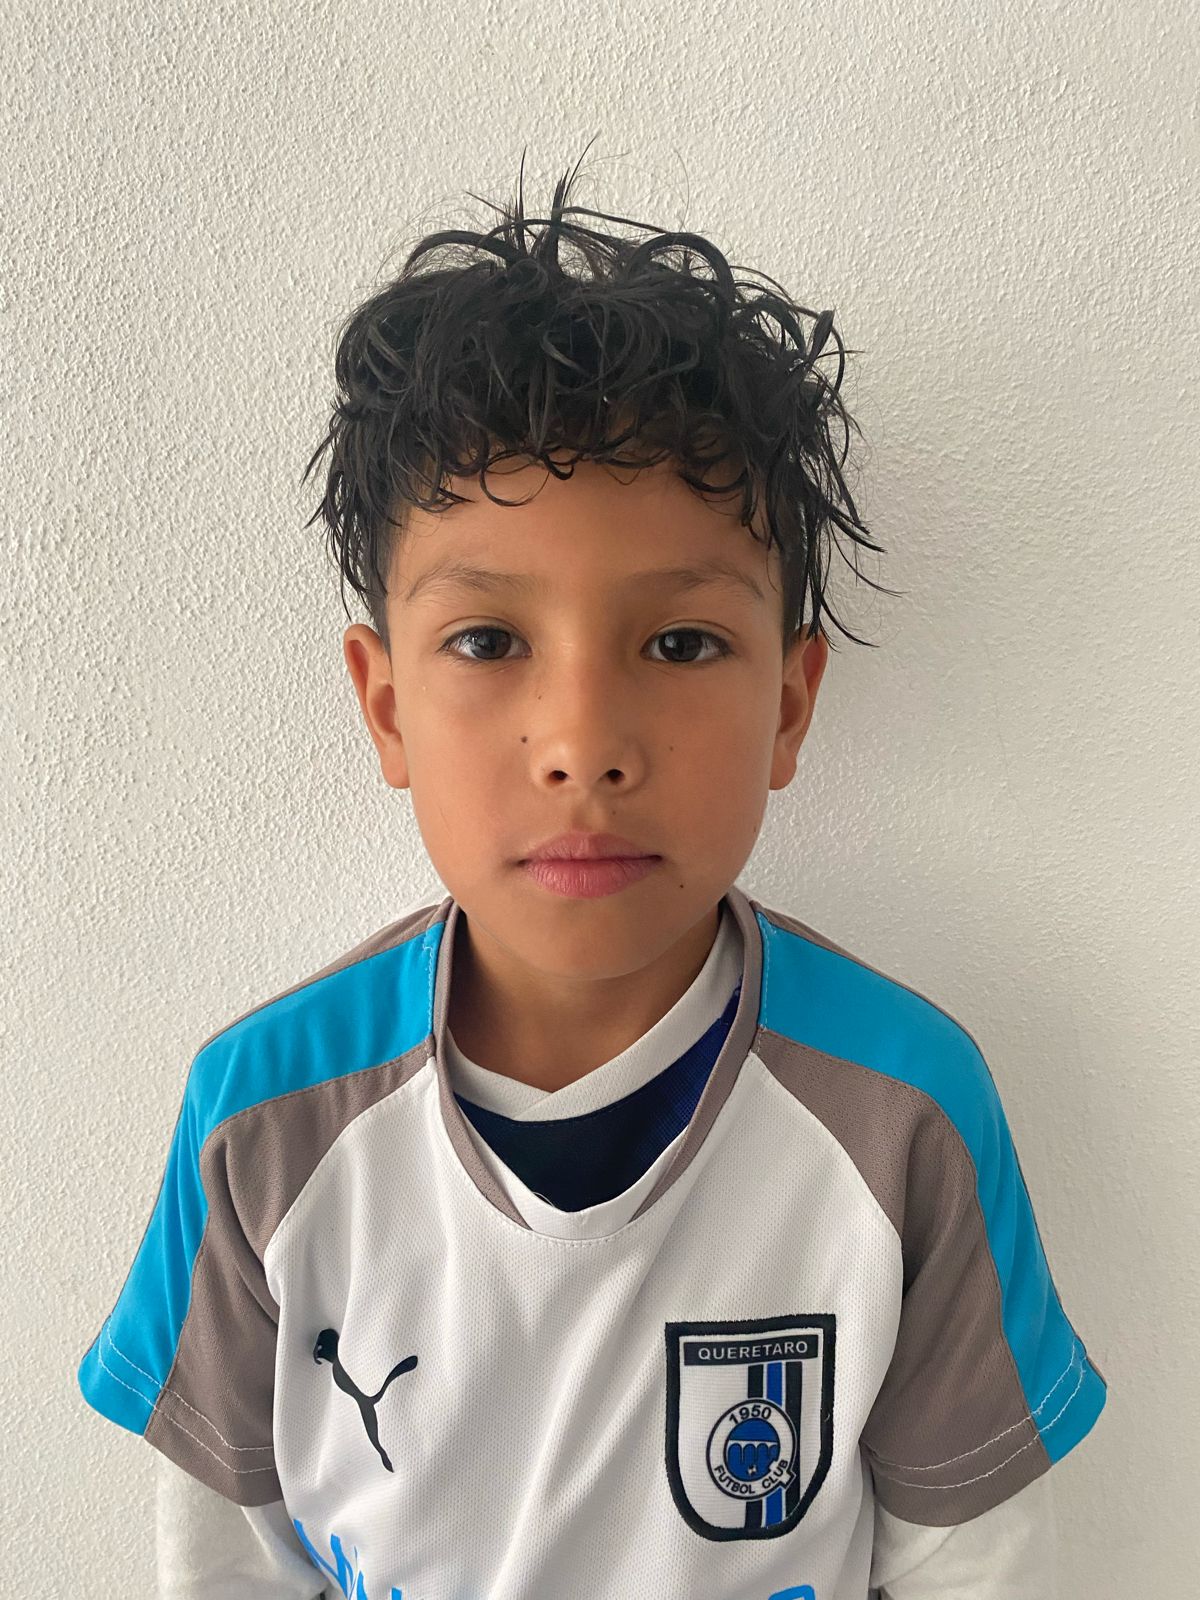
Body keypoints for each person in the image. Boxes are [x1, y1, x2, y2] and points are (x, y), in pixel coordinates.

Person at [77, 145, 1107, 1599]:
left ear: (790, 704)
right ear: (386, 706)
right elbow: (226, 1568)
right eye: (489, 642)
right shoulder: (261, 1121)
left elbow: (976, 1569)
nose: (582, 744)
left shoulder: (904, 1114)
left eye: (680, 643)